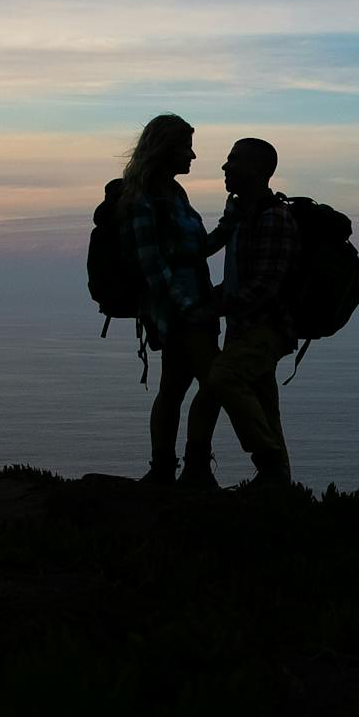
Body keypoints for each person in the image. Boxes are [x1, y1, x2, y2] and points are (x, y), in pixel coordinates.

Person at [118, 113, 228, 488]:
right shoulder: (143, 198)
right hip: (181, 312)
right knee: (216, 382)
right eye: (186, 147)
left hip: (197, 306)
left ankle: (165, 469)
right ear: (165, 150)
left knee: (175, 389)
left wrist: (227, 226)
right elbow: (152, 267)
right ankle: (193, 468)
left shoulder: (176, 194)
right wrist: (188, 309)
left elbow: (194, 251)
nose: (193, 156)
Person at [208, 138, 300, 488]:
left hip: (265, 328)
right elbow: (239, 280)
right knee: (265, 407)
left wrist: (214, 307)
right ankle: (280, 486)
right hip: (245, 326)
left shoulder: (273, 217)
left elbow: (264, 286)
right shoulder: (242, 216)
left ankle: (270, 465)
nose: (225, 168)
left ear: (259, 169)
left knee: (225, 377)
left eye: (233, 161)